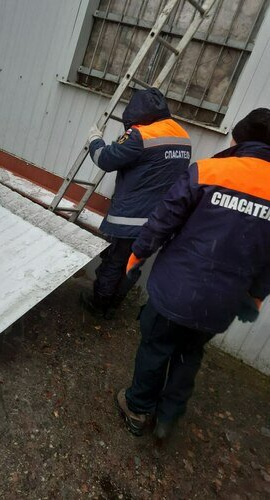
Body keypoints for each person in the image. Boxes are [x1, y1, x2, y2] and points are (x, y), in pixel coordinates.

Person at [116, 108, 270, 441]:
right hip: (222, 302)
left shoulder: (209, 170)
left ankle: (138, 409)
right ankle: (168, 418)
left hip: (176, 289)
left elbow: (163, 219)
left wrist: (138, 254)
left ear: (239, 138)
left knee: (156, 347)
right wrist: (256, 294)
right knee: (189, 354)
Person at [80, 88, 191, 319]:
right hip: (160, 221)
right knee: (133, 265)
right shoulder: (182, 136)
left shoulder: (141, 135)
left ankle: (99, 305)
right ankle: (113, 306)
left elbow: (106, 159)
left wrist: (94, 140)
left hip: (129, 219)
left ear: (138, 111)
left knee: (114, 262)